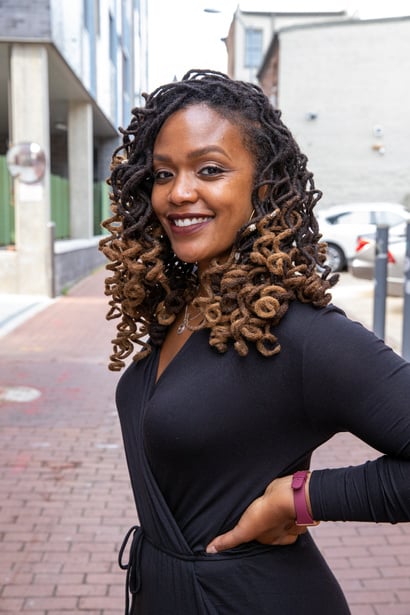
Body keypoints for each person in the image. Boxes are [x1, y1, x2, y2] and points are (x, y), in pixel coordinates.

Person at [99, 69, 410, 615]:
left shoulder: (303, 334)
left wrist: (304, 498)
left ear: (262, 187)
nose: (179, 193)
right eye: (163, 174)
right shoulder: (182, 309)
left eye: (210, 170)